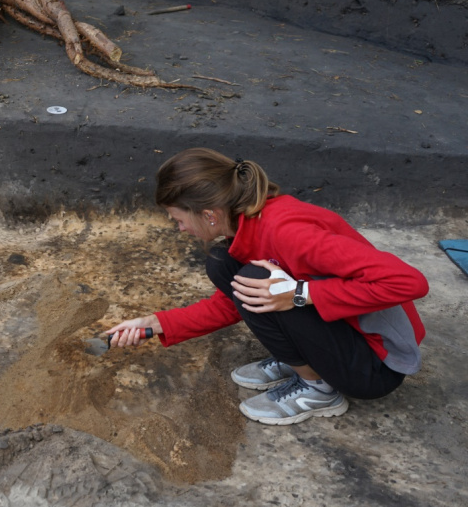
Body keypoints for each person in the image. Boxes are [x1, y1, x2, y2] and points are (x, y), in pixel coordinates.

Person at [103, 148, 429, 425]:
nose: (179, 228)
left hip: (374, 366)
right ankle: (305, 358)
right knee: (225, 264)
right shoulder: (250, 226)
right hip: (345, 334)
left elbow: (409, 281)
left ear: (209, 214)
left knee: (261, 282)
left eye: (178, 219)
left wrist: (300, 295)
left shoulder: (287, 231)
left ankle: (318, 389)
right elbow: (236, 302)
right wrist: (156, 323)